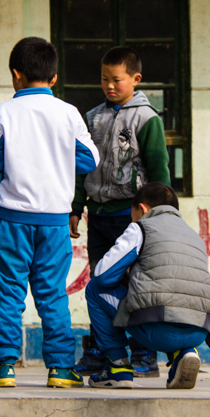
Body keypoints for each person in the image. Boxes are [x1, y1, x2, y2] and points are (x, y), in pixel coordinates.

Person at [0, 37, 99, 388]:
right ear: (54, 77)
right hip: (55, 222)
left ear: (16, 75)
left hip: (11, 220)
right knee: (52, 293)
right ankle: (60, 368)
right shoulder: (68, 113)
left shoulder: (2, 113)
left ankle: (3, 366)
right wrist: (56, 156)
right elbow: (90, 159)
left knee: (6, 293)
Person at [71, 46, 170, 378]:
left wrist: (160, 216)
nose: (109, 86)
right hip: (97, 216)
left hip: (131, 218)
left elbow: (159, 172)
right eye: (104, 79)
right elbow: (80, 168)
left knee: (134, 283)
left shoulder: (147, 118)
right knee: (100, 281)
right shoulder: (92, 117)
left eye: (116, 80)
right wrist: (76, 207)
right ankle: (102, 350)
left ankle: (143, 355)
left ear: (136, 79)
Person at [85, 182, 210, 389]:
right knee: (176, 301)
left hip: (159, 332)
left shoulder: (141, 228)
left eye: (133, 214)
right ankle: (184, 353)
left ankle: (117, 367)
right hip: (199, 331)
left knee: (94, 289)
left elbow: (102, 275)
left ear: (143, 209)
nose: (132, 219)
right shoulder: (194, 237)